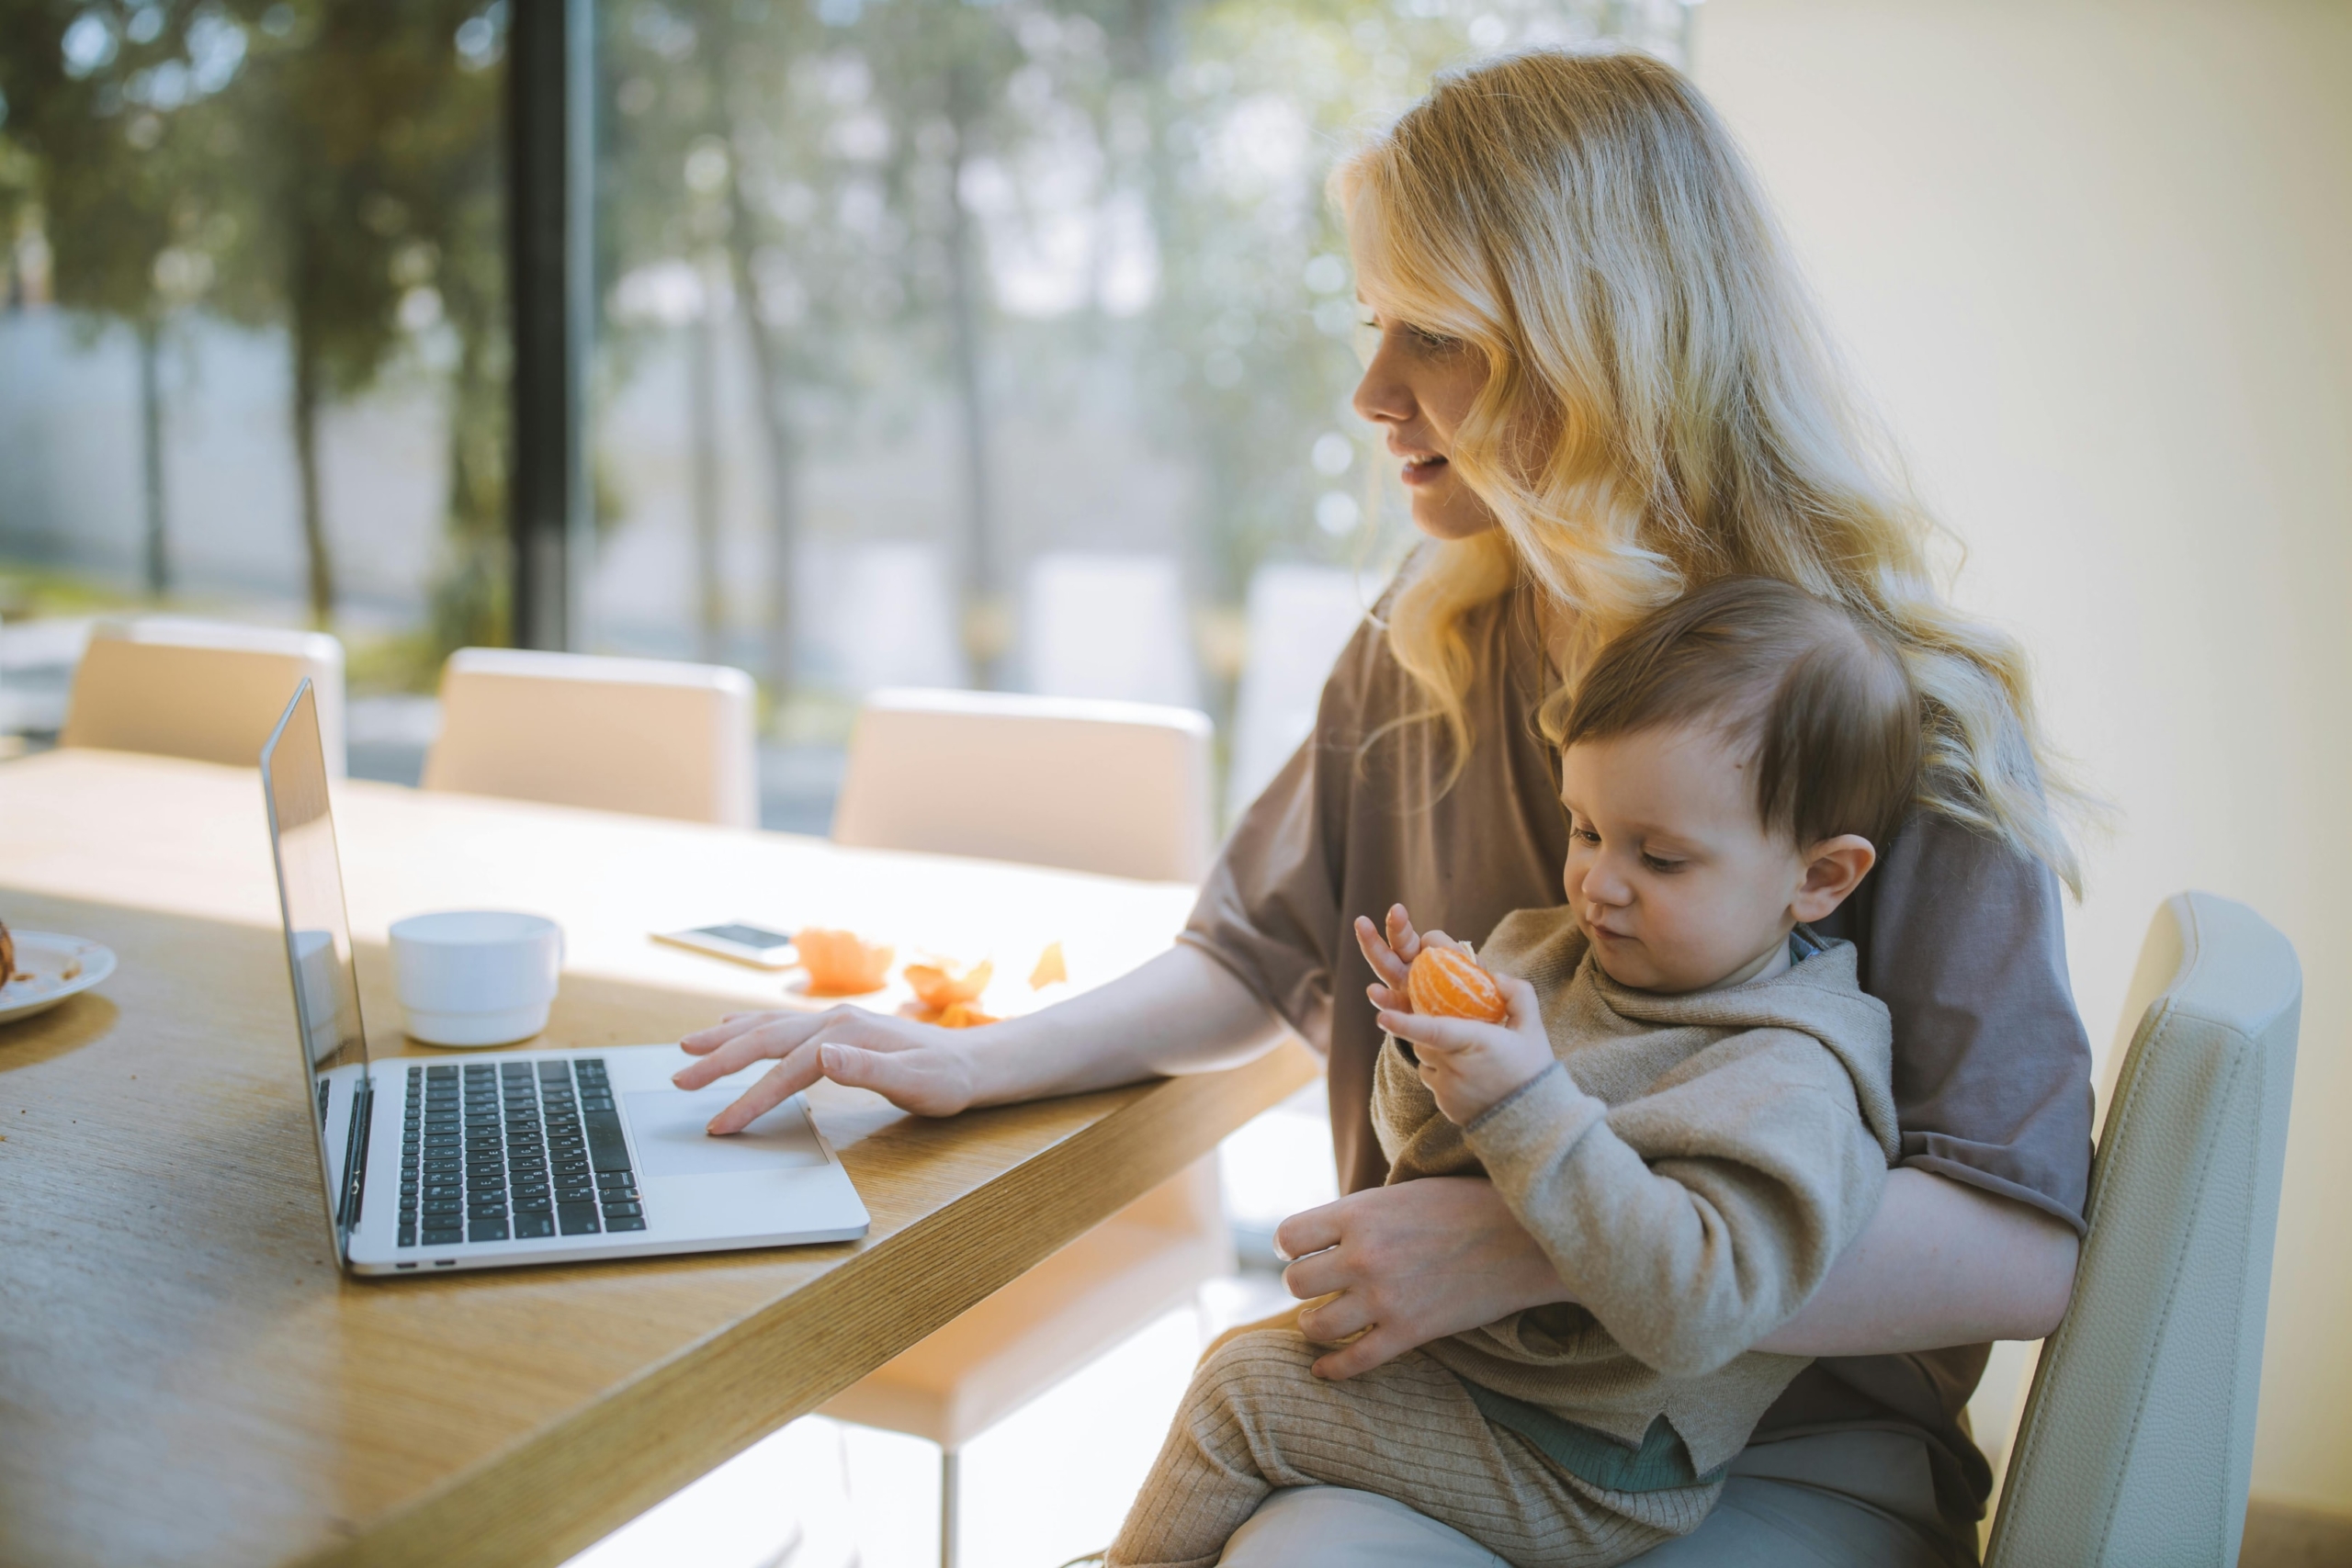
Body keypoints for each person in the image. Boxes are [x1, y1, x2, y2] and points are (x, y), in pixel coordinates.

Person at [676, 47, 2091, 1566]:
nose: (1371, 392)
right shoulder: (1431, 637)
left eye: (1438, 336)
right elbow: (1254, 954)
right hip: (1473, 1396)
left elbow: (2018, 1247)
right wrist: (982, 1057)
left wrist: (1529, 1242)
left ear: (1597, 344)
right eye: (1373, 325)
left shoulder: (1893, 716)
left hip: (1781, 1446)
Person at [1107, 577, 1917, 1568]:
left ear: (1820, 877)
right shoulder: (1553, 953)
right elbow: (1428, 1157)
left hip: (1591, 1462)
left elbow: (1700, 1308)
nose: (1597, 884)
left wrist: (1526, 1102)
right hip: (1483, 1382)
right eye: (1585, 829)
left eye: (1660, 859)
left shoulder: (1791, 1069)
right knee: (1251, 1363)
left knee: (1243, 1398)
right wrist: (1429, 1050)